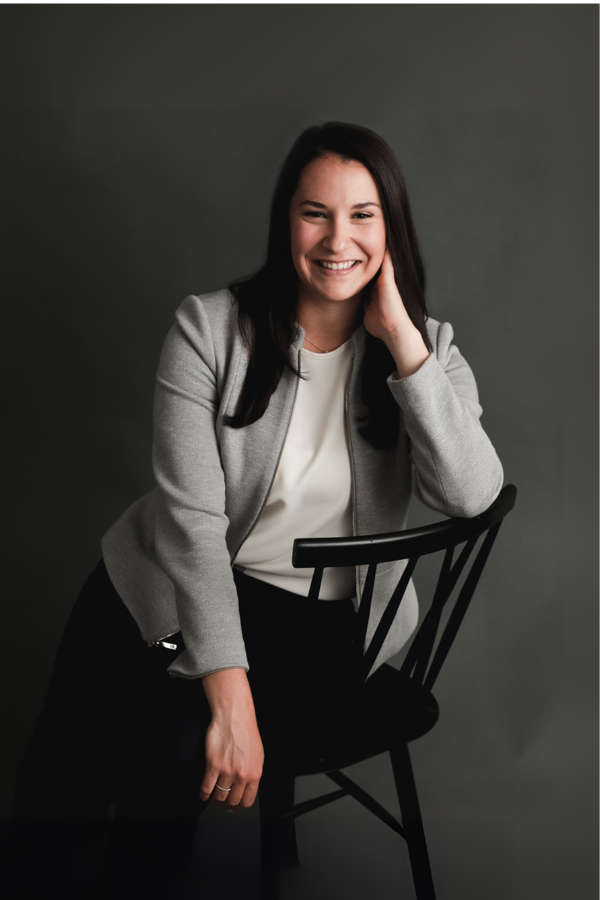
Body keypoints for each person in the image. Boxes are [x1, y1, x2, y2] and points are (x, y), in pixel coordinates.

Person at [4, 122, 503, 898]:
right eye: (315, 212)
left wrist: (400, 336)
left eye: (363, 214)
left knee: (166, 753)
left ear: (392, 228)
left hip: (320, 630)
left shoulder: (428, 353)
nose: (339, 238)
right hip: (174, 576)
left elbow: (471, 493)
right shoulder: (209, 329)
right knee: (64, 765)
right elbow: (192, 528)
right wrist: (231, 696)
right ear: (286, 221)